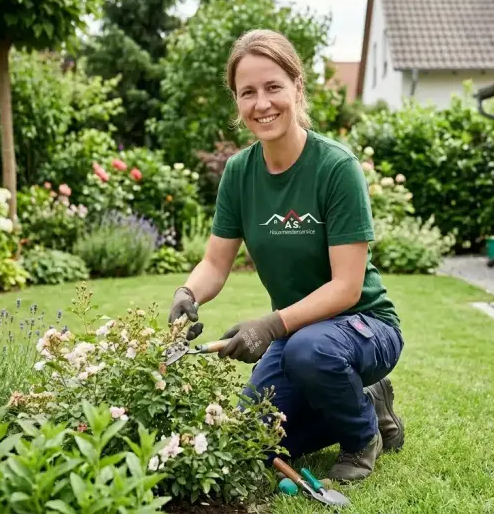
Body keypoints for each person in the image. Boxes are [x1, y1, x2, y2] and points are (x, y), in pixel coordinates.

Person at [168, 28, 404, 482]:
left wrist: (270, 326)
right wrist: (187, 293)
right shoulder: (239, 173)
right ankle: (366, 403)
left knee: (310, 351)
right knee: (249, 442)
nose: (262, 104)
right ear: (237, 101)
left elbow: (346, 287)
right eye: (248, 92)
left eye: (273, 87)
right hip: (297, 335)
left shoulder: (335, 167)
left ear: (297, 87)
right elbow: (215, 263)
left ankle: (361, 438)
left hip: (365, 326)